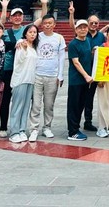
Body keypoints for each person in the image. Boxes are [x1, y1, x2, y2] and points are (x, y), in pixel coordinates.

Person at [0, 0, 46, 139]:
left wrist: (44, 4)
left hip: (25, 71)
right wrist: (4, 8)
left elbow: (41, 19)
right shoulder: (6, 32)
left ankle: (20, 129)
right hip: (9, 68)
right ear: (11, 18)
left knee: (24, 102)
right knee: (6, 99)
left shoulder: (27, 30)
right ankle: (4, 126)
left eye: (20, 15)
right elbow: (0, 24)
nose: (17, 18)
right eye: (14, 16)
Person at [27, 12, 66, 142]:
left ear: (54, 24)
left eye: (50, 23)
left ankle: (47, 127)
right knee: (36, 104)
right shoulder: (37, 36)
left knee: (49, 104)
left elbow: (62, 57)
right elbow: (27, 32)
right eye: (45, 23)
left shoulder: (59, 38)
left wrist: (60, 75)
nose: (47, 25)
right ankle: (34, 129)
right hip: (37, 75)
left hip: (52, 76)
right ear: (41, 25)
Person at [8, 23, 39, 143]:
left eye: (35, 32)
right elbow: (20, 59)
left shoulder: (34, 47)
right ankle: (14, 132)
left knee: (26, 107)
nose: (32, 34)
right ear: (25, 33)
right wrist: (24, 48)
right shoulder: (21, 43)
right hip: (20, 80)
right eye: (30, 32)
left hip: (30, 81)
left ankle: (21, 130)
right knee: (17, 107)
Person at [66, 19, 94, 141]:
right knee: (74, 106)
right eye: (80, 27)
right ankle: (72, 132)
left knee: (81, 105)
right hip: (76, 80)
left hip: (85, 81)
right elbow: (76, 62)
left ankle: (76, 128)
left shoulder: (87, 41)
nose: (83, 29)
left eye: (85, 27)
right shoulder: (73, 44)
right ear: (76, 30)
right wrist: (86, 76)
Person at [95, 24, 109, 138]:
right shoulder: (102, 47)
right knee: (103, 103)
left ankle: (107, 126)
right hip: (103, 78)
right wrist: (99, 78)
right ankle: (101, 127)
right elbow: (98, 63)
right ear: (107, 35)